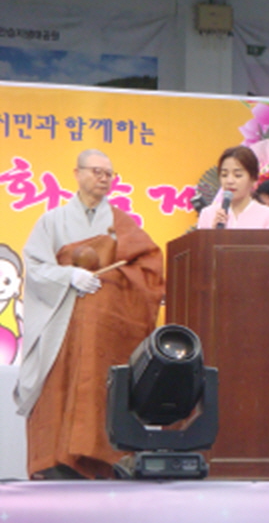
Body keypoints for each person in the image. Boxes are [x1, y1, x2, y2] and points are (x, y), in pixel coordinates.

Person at [14, 149, 165, 479]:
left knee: (100, 391)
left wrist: (113, 285)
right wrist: (67, 275)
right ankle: (54, 466)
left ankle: (102, 466)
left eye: (109, 174)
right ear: (77, 173)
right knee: (57, 391)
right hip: (61, 327)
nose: (103, 178)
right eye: (96, 171)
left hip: (102, 333)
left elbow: (149, 269)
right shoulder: (52, 221)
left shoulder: (120, 224)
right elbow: (35, 267)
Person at [197, 146, 269, 230]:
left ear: (253, 179)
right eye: (224, 175)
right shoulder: (208, 214)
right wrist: (213, 233)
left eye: (238, 175)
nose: (229, 181)